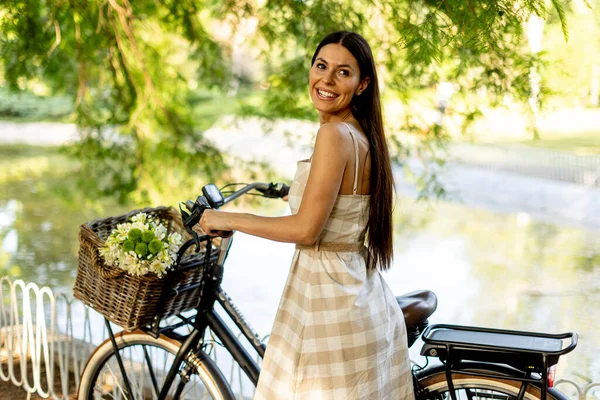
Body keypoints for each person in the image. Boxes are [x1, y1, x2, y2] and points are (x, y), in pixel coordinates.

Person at [196, 31, 414, 400]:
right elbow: (341, 201)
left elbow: (307, 229)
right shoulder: (363, 136)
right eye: (321, 66)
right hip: (357, 293)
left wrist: (227, 219)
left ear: (362, 85)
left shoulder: (334, 135)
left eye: (342, 73)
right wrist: (290, 190)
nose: (326, 80)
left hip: (325, 303)